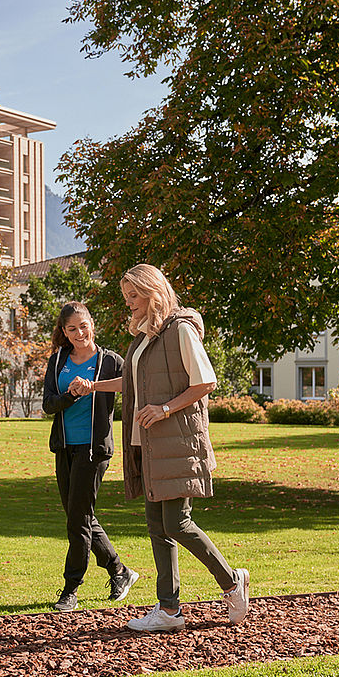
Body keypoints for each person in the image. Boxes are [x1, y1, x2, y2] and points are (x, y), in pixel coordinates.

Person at [71, 264, 249, 632]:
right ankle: (169, 611)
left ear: (153, 292)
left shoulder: (181, 329)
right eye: (126, 298)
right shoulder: (145, 337)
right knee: (158, 526)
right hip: (147, 444)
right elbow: (131, 383)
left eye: (133, 296)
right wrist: (93, 387)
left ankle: (232, 582)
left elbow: (205, 382)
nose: (129, 304)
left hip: (178, 442)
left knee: (177, 522)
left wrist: (165, 408)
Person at [42, 301, 139, 612]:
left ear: (92, 326)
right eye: (72, 329)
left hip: (94, 450)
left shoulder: (109, 361)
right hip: (64, 447)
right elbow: (48, 405)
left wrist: (93, 387)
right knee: (79, 516)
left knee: (77, 521)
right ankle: (119, 571)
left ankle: (70, 589)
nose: (79, 333)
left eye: (83, 326)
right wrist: (71, 394)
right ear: (65, 333)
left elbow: (133, 385)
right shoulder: (58, 361)